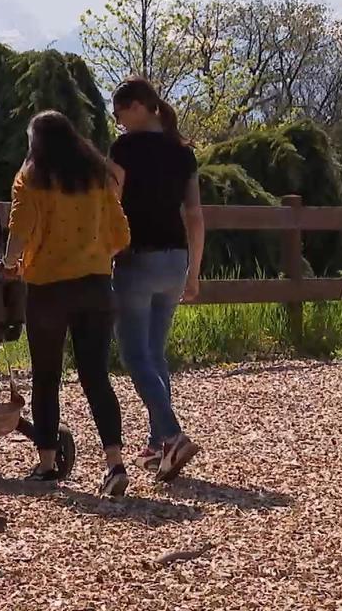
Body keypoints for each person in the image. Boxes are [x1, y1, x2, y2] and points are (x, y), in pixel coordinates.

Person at [0, 110, 132, 497]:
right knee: (96, 377)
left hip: (48, 289)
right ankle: (114, 463)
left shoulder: (30, 180)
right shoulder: (96, 178)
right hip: (94, 286)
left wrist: (11, 266)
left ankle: (46, 463)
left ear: (36, 143)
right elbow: (121, 233)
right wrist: (91, 253)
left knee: (46, 376)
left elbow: (19, 231)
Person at [108, 76, 204, 483]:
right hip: (176, 259)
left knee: (134, 356)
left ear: (135, 107)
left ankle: (172, 433)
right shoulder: (183, 153)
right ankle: (156, 445)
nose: (118, 122)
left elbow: (110, 205)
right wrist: (194, 272)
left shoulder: (124, 149)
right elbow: (196, 216)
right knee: (155, 353)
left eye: (118, 114)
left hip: (138, 260)